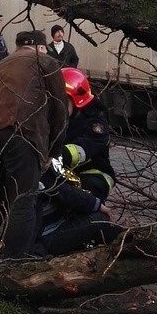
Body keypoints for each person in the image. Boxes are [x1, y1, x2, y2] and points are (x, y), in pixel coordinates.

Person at [0, 31, 68, 258]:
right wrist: (53, 150)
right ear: (41, 47)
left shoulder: (1, 64)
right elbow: (59, 109)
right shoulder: (46, 62)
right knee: (23, 199)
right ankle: (13, 258)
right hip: (22, 131)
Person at [35, 68, 121, 255]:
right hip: (64, 172)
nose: (55, 105)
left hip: (93, 175)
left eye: (61, 101)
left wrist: (52, 155)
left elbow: (80, 151)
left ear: (76, 101)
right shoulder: (56, 117)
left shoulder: (96, 125)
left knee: (78, 196)